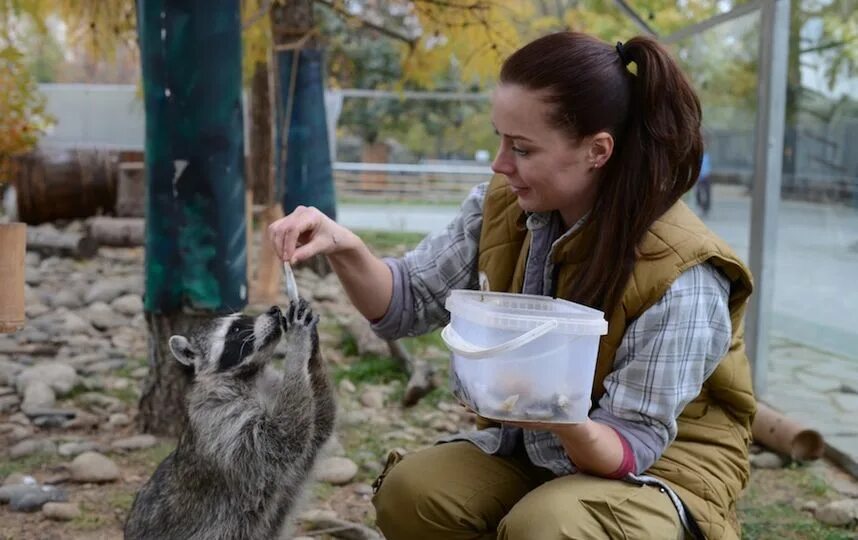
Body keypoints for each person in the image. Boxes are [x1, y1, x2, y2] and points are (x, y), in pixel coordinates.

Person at [268, 31, 754, 540]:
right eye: (500, 139)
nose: (500, 164)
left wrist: (552, 403)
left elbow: (629, 444)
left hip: (657, 472)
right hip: (542, 448)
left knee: (546, 527)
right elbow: (405, 302)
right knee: (414, 492)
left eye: (521, 148)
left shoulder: (684, 273)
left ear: (597, 150)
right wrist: (343, 245)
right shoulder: (504, 206)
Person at [696, 149, 713, 216]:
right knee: (699, 192)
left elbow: (708, 167)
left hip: (706, 176)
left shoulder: (707, 157)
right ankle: (700, 205)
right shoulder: (699, 158)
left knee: (707, 192)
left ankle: (706, 208)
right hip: (700, 177)